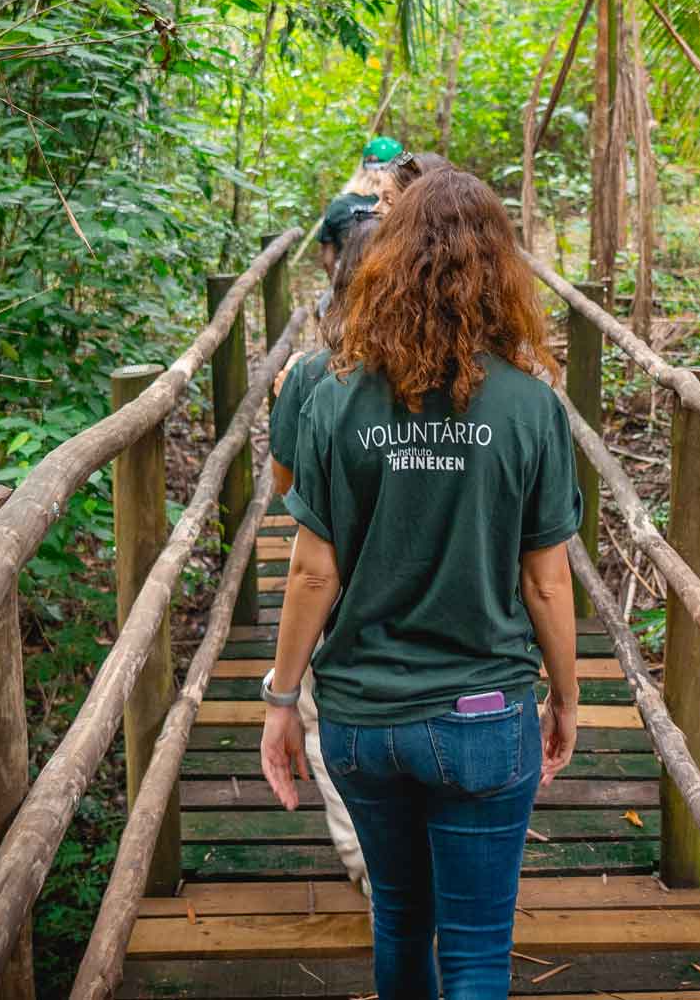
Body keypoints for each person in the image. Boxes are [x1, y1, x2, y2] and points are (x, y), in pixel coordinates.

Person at [259, 169, 583, 999]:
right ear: (500, 269)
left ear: (387, 263)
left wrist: (282, 698)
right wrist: (568, 699)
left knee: (401, 919)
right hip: (482, 716)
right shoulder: (530, 406)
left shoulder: (336, 396)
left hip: (366, 723)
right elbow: (548, 584)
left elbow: (311, 568)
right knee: (475, 951)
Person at [265, 212, 380, 895]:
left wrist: (278, 688)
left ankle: (367, 864)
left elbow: (286, 488)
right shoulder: (465, 382)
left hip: (333, 601)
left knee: (321, 713)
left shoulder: (313, 376)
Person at [317, 136, 403, 277]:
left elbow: (328, 260)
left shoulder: (339, 205)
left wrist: (337, 287)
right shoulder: (402, 201)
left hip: (347, 284)